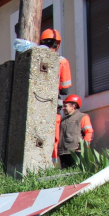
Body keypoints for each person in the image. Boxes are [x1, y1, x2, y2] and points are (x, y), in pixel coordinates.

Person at [40, 28, 73, 164]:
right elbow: (65, 89)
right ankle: (51, 165)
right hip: (52, 105)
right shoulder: (62, 61)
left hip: (35, 106)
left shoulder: (35, 59)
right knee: (53, 137)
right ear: (58, 44)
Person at [57, 95, 93, 169]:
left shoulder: (82, 117)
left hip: (75, 152)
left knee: (75, 172)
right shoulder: (63, 120)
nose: (63, 108)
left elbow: (88, 132)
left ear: (73, 106)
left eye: (65, 106)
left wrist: (83, 148)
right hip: (63, 152)